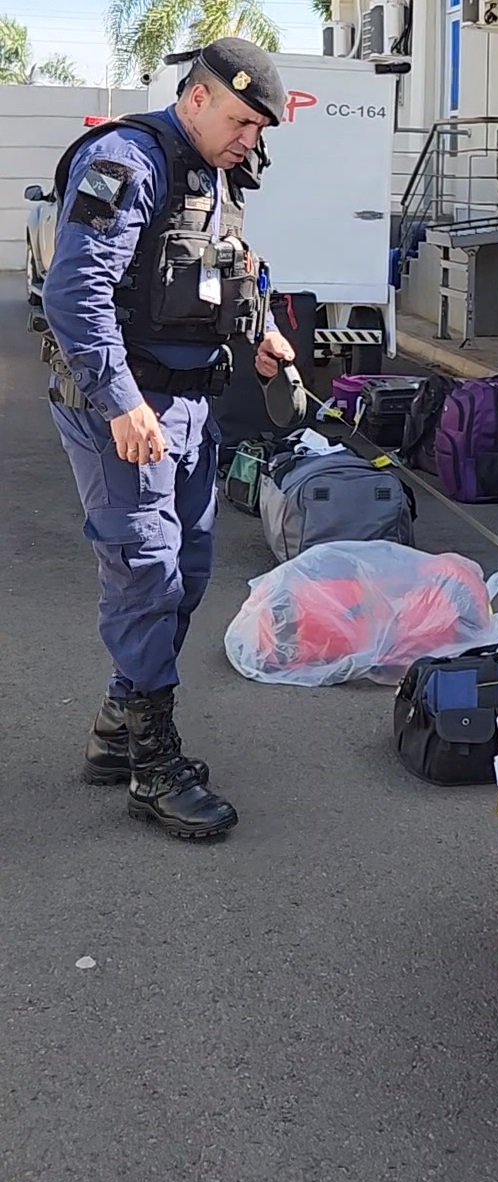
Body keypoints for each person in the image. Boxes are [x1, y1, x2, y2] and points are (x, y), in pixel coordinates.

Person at [39, 37, 296, 839]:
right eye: (242, 119)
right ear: (196, 97)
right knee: (145, 573)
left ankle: (120, 726)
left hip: (186, 407)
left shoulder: (217, 175)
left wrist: (258, 332)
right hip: (126, 408)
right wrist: (121, 403)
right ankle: (153, 767)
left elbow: (223, 269)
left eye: (259, 128)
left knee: (186, 568)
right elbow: (73, 291)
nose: (250, 138)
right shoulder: (129, 160)